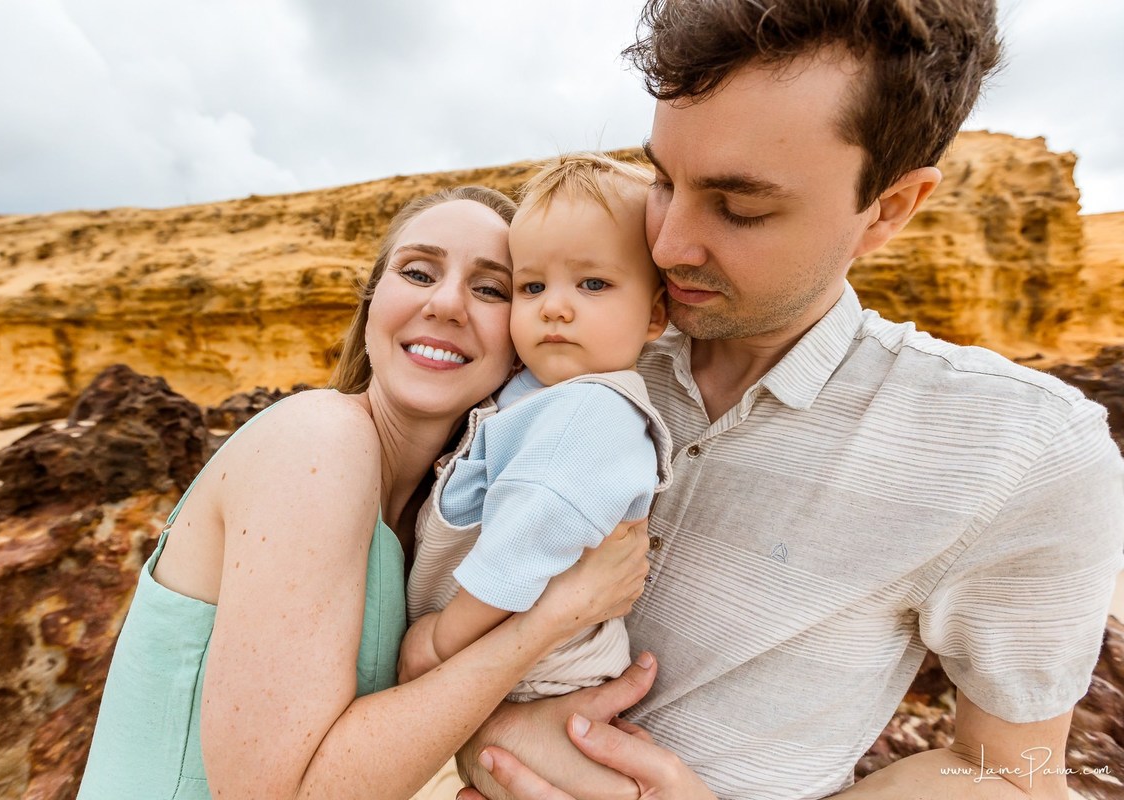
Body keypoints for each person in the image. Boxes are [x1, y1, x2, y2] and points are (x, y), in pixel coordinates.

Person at [452, 2, 1124, 799]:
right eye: (664, 181)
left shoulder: (1029, 449)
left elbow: (1017, 776)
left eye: (742, 208)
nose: (668, 245)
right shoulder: (558, 347)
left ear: (890, 208)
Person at [75, 185, 653, 800]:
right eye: (417, 271)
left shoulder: (439, 526)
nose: (448, 303)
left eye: (492, 288)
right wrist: (552, 618)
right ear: (372, 302)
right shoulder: (318, 440)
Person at [403, 154, 674, 710]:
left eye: (593, 283)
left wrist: (438, 641)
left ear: (653, 315)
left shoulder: (590, 412)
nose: (554, 308)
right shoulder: (538, 393)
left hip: (543, 680)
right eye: (530, 287)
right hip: (517, 662)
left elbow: (524, 542)